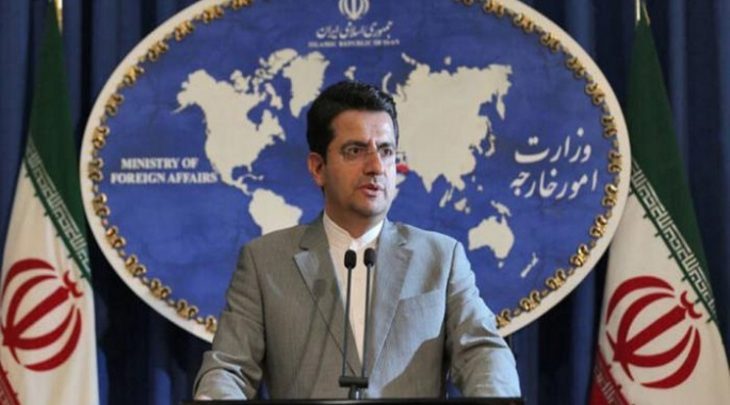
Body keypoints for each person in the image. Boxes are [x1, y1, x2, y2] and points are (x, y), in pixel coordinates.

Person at [193, 81, 521, 399]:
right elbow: (229, 368)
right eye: (355, 151)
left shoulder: (441, 257)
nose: (376, 166)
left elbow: (482, 350)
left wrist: (495, 396)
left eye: (386, 151)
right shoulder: (264, 261)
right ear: (318, 167)